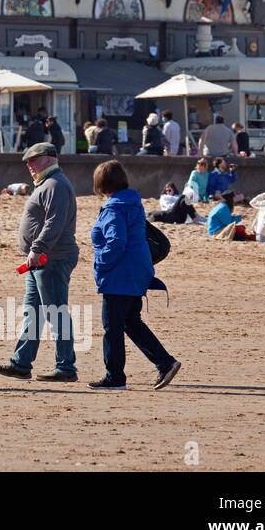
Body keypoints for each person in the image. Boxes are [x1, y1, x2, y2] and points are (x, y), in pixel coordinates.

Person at [88, 159, 181, 390]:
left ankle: (115, 377)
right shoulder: (132, 202)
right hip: (138, 270)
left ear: (102, 184)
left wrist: (101, 262)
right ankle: (165, 362)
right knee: (131, 321)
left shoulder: (114, 207)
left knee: (112, 326)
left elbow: (116, 242)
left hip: (119, 274)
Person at [0, 142, 78, 383]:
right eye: (28, 161)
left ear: (50, 158)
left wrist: (38, 248)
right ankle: (21, 363)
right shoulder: (49, 183)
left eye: (34, 160)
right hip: (39, 260)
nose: (29, 165)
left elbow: (55, 222)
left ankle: (66, 367)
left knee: (56, 312)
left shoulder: (56, 184)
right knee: (34, 312)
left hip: (50, 259)